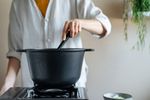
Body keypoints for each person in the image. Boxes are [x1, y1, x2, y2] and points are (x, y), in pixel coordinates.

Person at [0, 0, 111, 95]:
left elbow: (104, 25)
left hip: (72, 86)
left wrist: (80, 23)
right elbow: (15, 54)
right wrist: (7, 86)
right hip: (32, 88)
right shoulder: (18, 4)